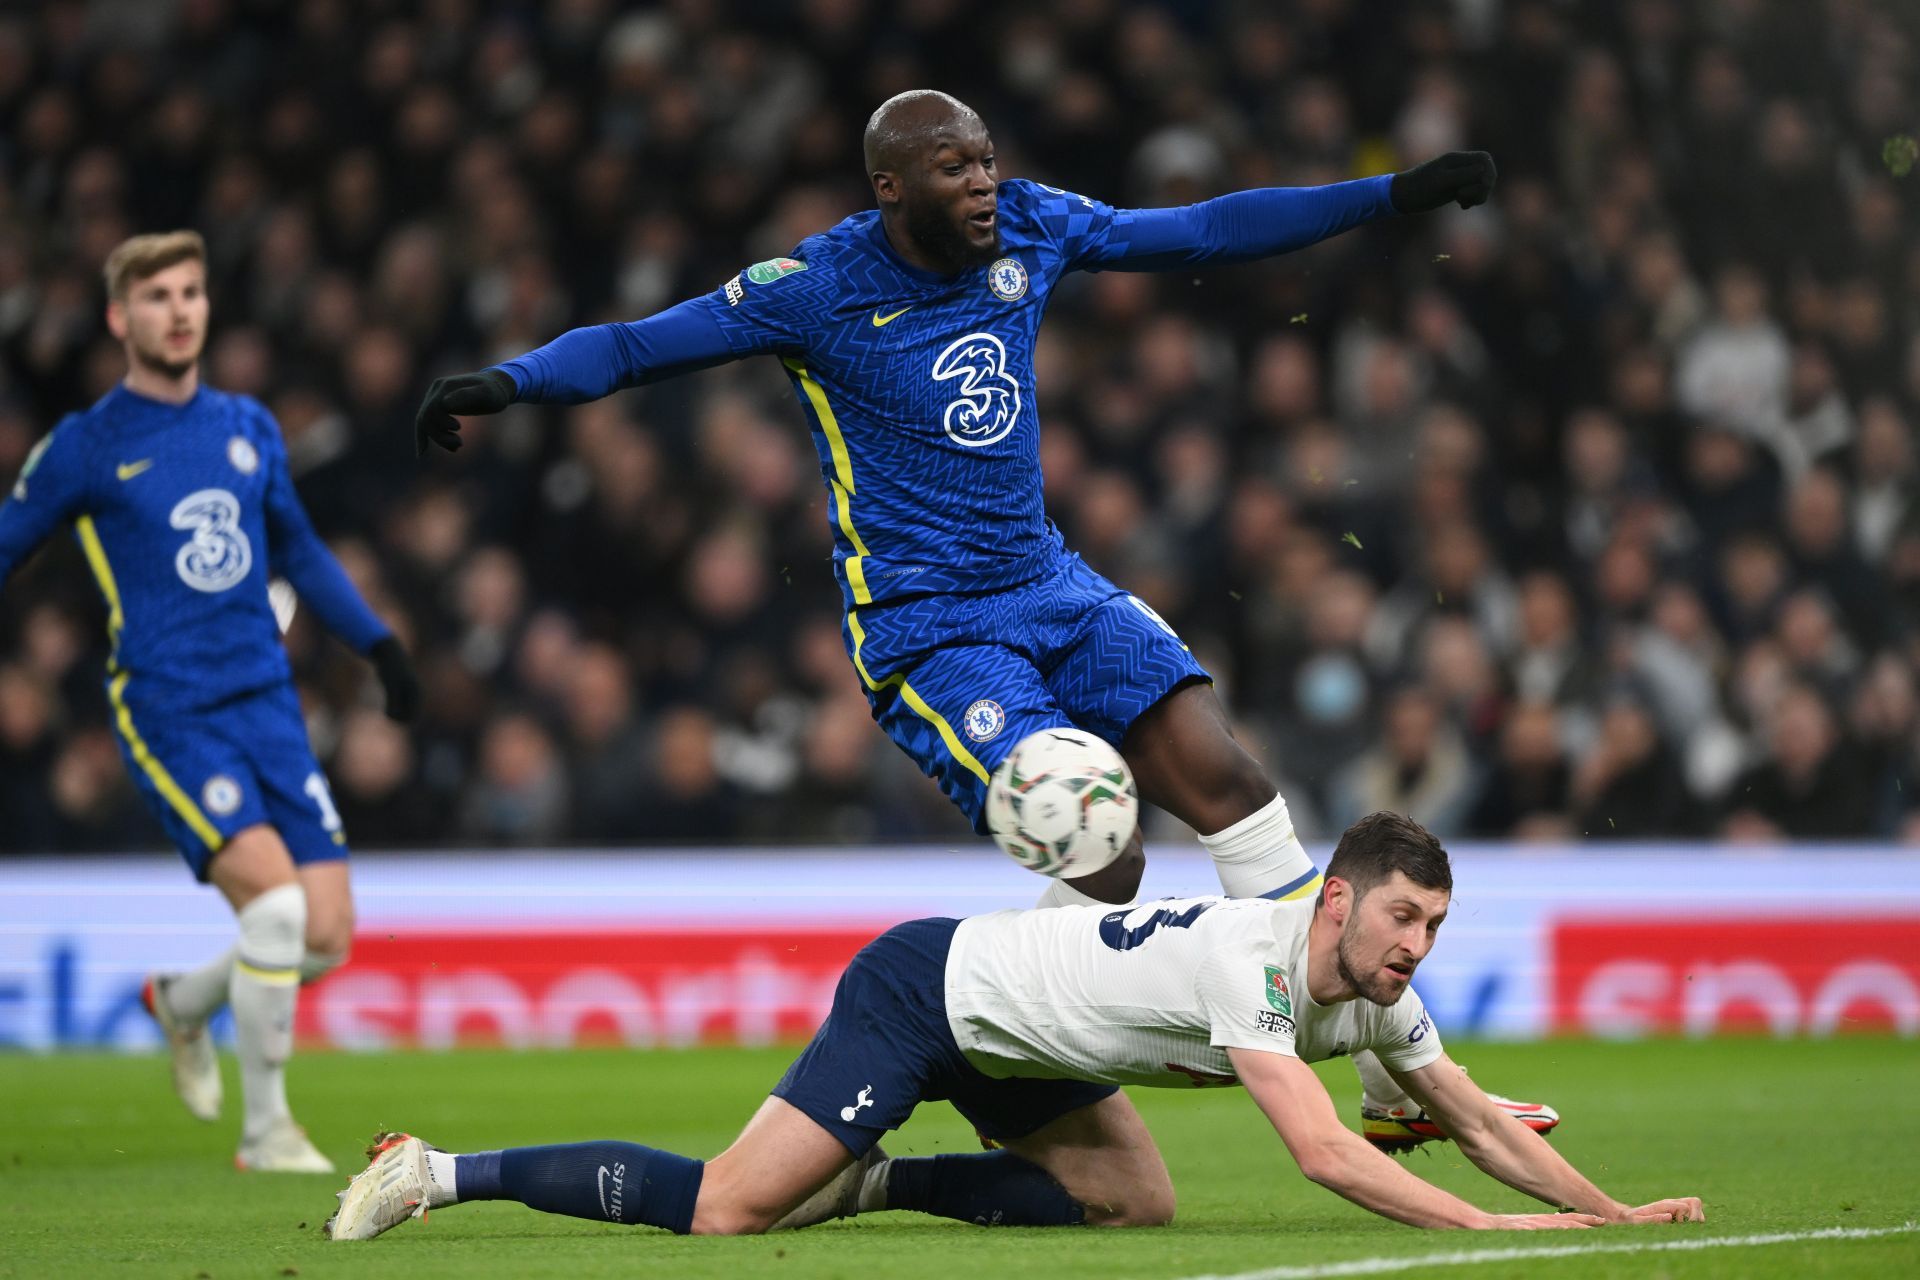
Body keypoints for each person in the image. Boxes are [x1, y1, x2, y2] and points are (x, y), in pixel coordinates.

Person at [411, 90, 1528, 1146]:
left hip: (1048, 581)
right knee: (1108, 849)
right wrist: (510, 381)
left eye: (987, 158)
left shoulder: (1032, 227)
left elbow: (1199, 229)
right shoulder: (818, 286)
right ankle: (992, 1018)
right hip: (929, 630)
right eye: (955, 167)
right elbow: (637, 345)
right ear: (892, 187)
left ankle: (1392, 1081)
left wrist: (1387, 195)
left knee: (1227, 777)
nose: (986, 181)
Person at [324, 812, 1702, 1240]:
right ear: (1336, 899)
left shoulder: (1384, 999)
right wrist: (1498, 1233)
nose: (1416, 949)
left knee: (1131, 1202)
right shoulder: (1258, 961)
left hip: (1033, 1041)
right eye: (1402, 919)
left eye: (1436, 930)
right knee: (729, 1215)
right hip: (931, 995)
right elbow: (1331, 1158)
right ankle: (439, 1171)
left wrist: (1615, 1212)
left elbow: (1472, 1119)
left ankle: (877, 1182)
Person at [0, 231, 420, 1172]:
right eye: (157, 297)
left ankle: (183, 1004)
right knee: (273, 916)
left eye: (191, 291)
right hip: (171, 709)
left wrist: (378, 643)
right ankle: (267, 1132)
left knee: (327, 936)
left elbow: (300, 551)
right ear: (120, 318)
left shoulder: (247, 425)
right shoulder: (86, 446)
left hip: (266, 702)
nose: (180, 310)